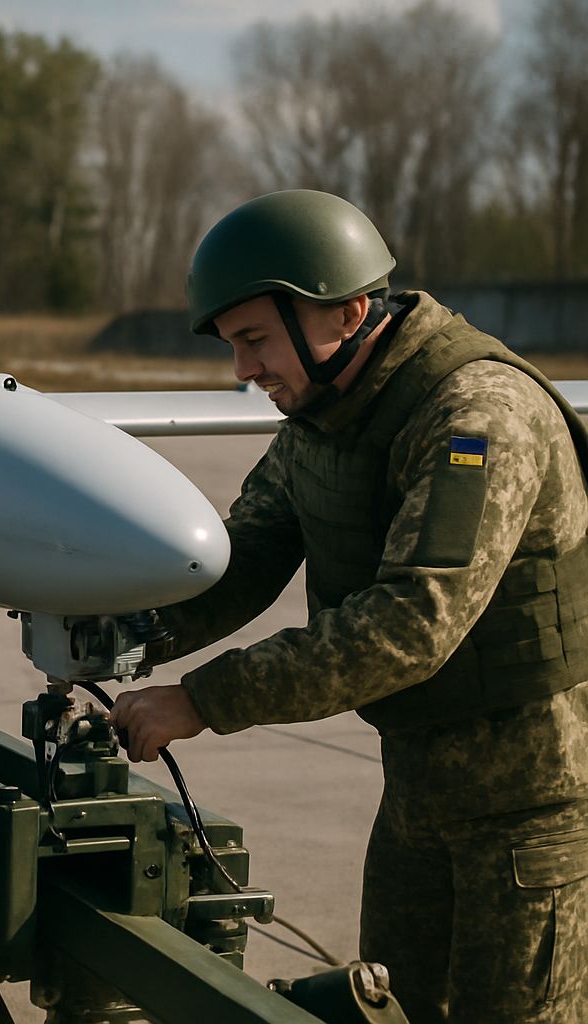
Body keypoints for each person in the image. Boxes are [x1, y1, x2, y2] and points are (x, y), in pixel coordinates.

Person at [108, 189, 588, 1022]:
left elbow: (413, 622)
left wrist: (201, 700)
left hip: (529, 814)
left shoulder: (476, 415)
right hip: (418, 795)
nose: (243, 371)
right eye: (234, 345)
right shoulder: (328, 411)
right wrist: (122, 628)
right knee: (386, 1011)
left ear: (347, 313)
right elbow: (248, 551)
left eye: (255, 340)